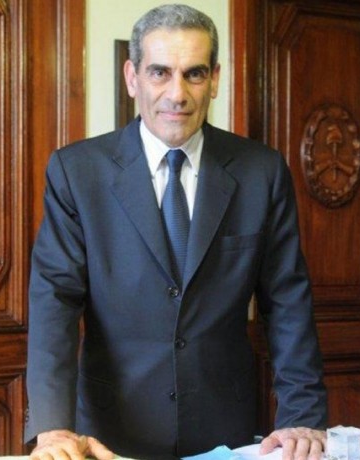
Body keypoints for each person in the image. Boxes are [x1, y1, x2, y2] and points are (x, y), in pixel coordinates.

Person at [25, 4, 327, 459]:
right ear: (133, 77)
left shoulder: (261, 172)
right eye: (160, 73)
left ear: (215, 79)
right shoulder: (77, 172)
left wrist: (302, 414)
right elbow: (55, 300)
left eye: (194, 74)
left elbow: (288, 299)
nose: (177, 94)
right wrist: (52, 428)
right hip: (108, 434)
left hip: (225, 431)